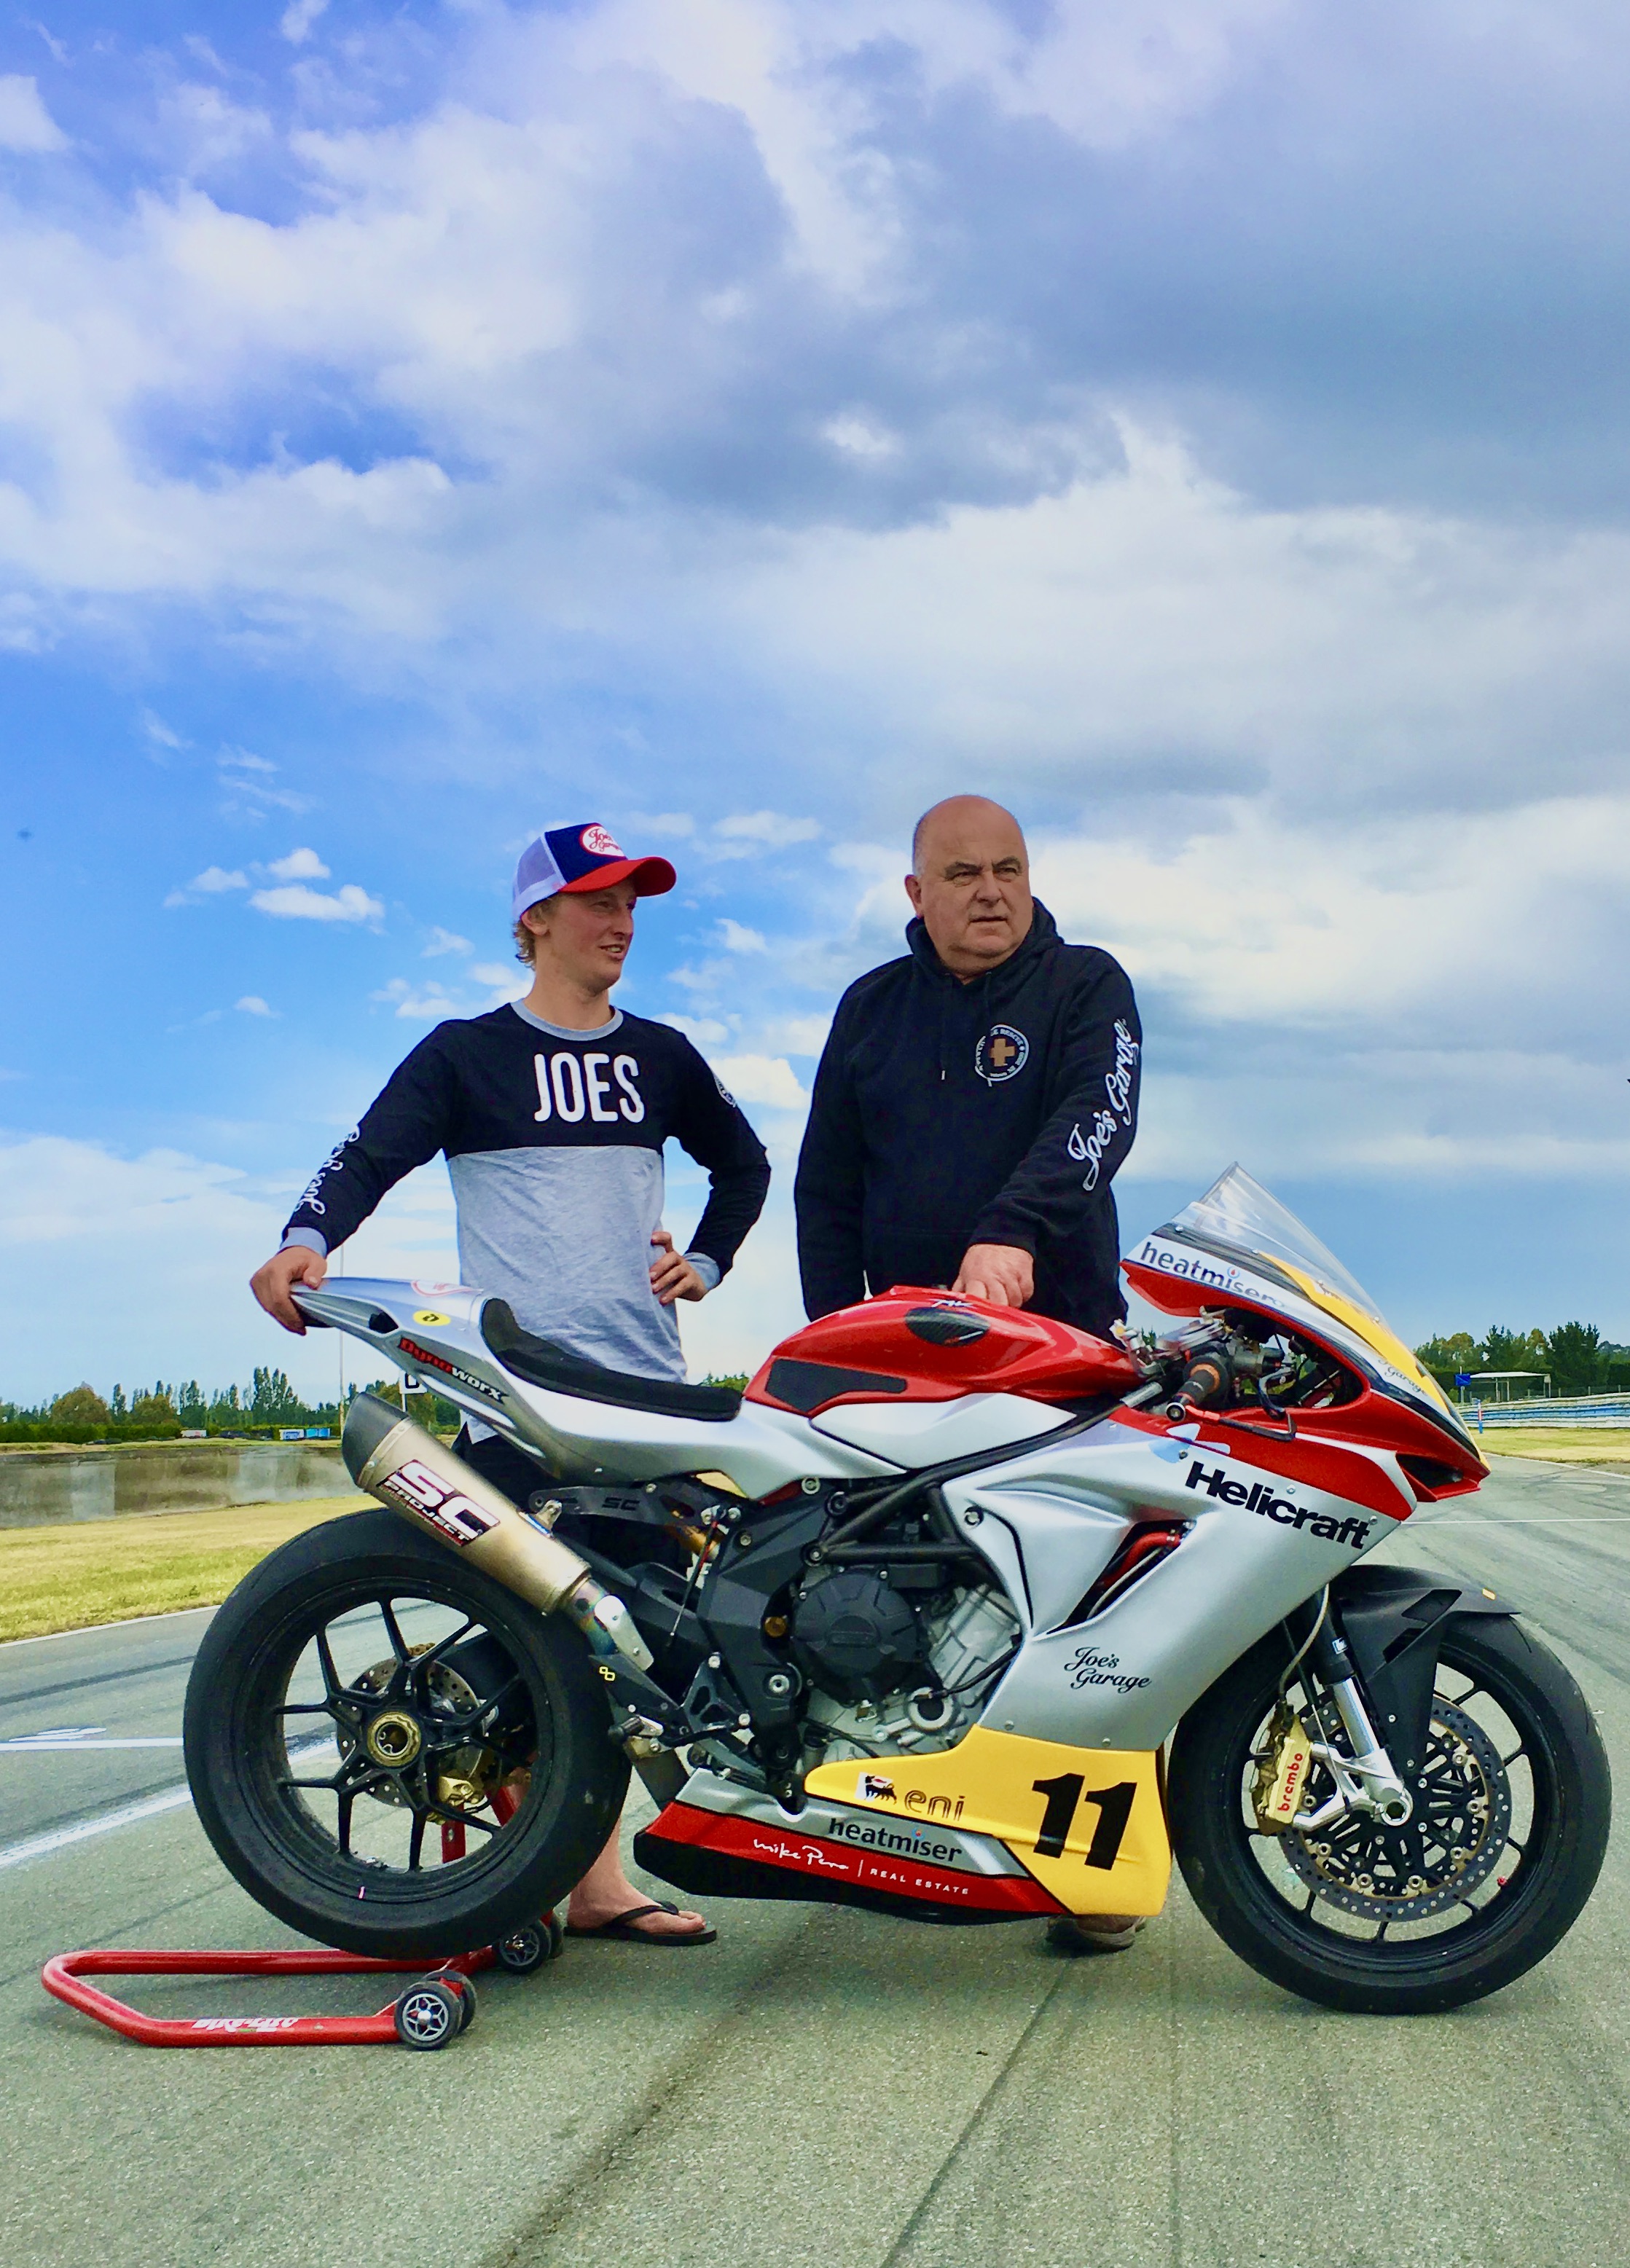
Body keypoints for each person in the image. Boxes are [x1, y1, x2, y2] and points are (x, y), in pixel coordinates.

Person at [251, 818, 771, 1945]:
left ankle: (589, 1885)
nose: (620, 922)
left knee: (629, 1640)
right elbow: (368, 1152)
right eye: (596, 902)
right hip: (516, 1395)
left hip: (645, 1395)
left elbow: (746, 1161)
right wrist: (305, 1237)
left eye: (632, 903)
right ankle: (536, 1882)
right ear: (535, 918)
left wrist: (712, 1257)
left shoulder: (663, 1056)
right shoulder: (463, 1053)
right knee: (540, 1631)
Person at [794, 792, 1146, 1954]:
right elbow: (824, 1185)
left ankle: (1098, 1869)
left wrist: (1012, 1228)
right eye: (961, 873)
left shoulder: (1084, 985)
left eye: (1008, 868)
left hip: (1066, 1348)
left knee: (1093, 1611)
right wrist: (826, 1338)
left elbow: (1100, 1115)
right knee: (938, 1597)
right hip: (908, 1367)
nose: (990, 890)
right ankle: (917, 1823)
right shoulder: (871, 1010)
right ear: (914, 893)